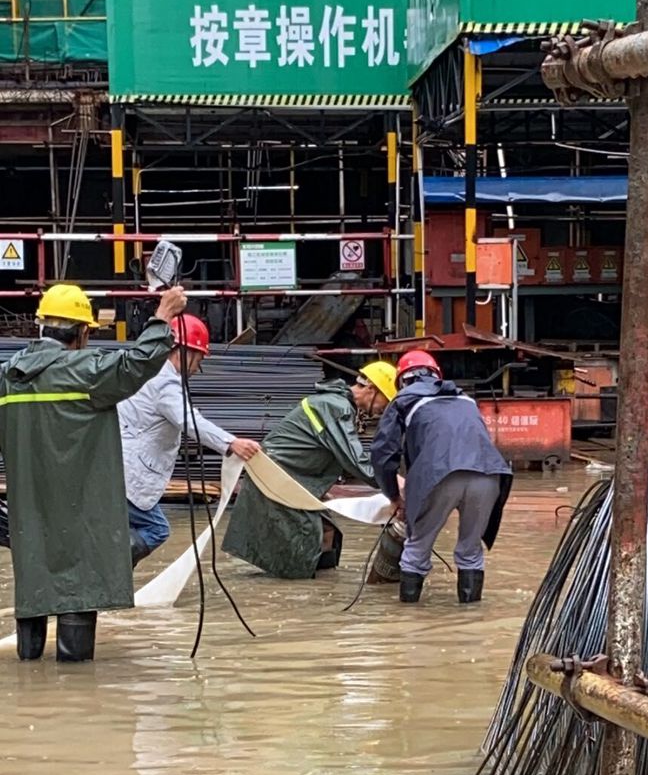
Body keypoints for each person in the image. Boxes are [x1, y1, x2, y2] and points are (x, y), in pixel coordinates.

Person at [0, 282, 188, 662]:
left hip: (29, 516)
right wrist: (162, 316)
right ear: (83, 332)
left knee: (35, 592)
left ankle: (31, 688)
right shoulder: (87, 372)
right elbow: (137, 363)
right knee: (78, 597)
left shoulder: (7, 376)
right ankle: (74, 697)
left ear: (42, 327)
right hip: (80, 517)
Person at [222, 361, 397, 579]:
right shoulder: (336, 407)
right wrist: (394, 484)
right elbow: (354, 460)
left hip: (286, 477)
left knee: (327, 531)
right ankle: (300, 593)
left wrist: (319, 487)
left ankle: (319, 590)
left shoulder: (335, 403)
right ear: (371, 389)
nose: (385, 409)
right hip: (275, 477)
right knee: (308, 538)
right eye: (386, 400)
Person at [118, 313, 261, 567]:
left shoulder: (144, 371)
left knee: (119, 528)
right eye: (199, 360)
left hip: (116, 468)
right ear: (186, 351)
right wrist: (231, 444)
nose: (197, 369)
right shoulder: (165, 382)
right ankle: (109, 571)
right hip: (130, 475)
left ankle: (108, 574)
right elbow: (190, 421)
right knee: (156, 530)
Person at [370, 350, 512, 605]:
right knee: (470, 552)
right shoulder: (466, 399)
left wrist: (393, 495)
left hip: (439, 475)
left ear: (402, 380)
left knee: (417, 549)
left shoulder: (403, 399)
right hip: (489, 474)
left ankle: (405, 622)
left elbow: (383, 453)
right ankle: (470, 621)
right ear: (436, 374)